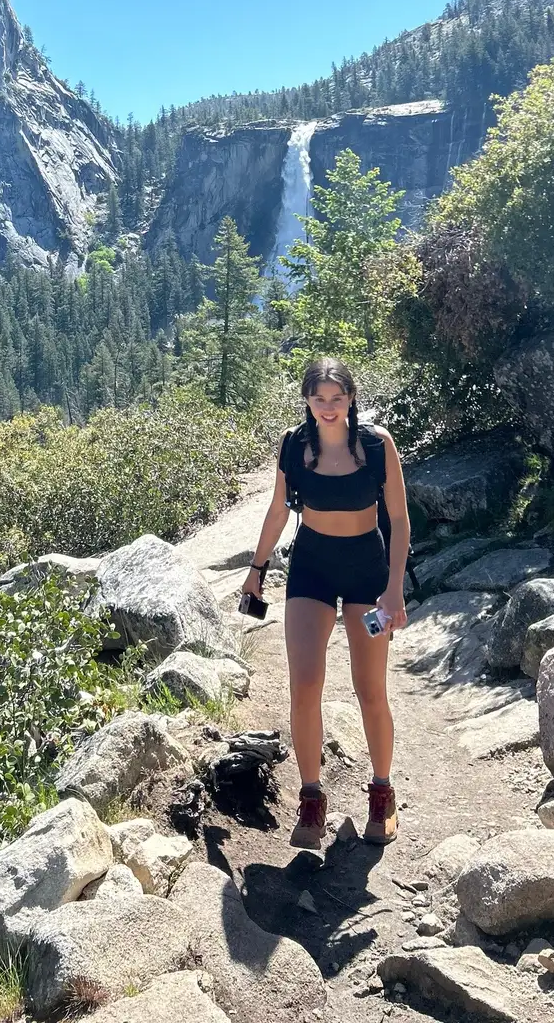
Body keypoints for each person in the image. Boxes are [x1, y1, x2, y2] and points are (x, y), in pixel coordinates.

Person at [241, 357, 410, 848]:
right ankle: (312, 801)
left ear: (351, 398)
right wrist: (256, 571)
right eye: (319, 399)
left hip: (368, 576)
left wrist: (394, 588)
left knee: (369, 687)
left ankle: (382, 793)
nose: (329, 408)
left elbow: (398, 520)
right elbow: (278, 509)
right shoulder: (295, 446)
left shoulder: (378, 446)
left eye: (337, 398)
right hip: (311, 567)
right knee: (305, 683)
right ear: (308, 402)